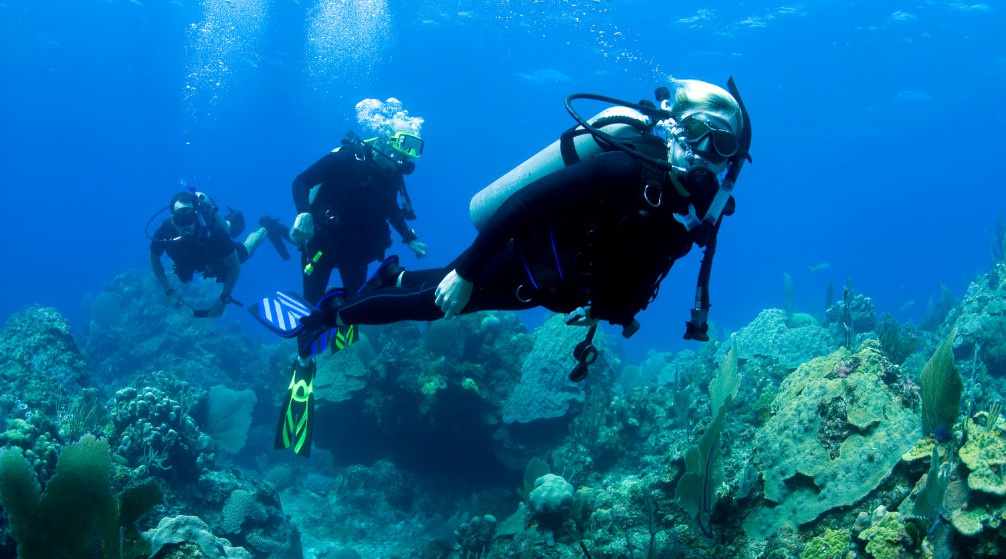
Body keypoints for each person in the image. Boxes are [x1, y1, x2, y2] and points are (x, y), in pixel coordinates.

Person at [256, 78, 751, 456]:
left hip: (550, 288)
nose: (705, 152)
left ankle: (392, 278)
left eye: (722, 144)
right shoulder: (627, 168)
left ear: (733, 160)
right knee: (434, 306)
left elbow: (644, 258)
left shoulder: (701, 207)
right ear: (674, 128)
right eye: (696, 133)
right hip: (522, 261)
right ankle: (330, 317)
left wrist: (606, 307)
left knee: (429, 289)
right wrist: (469, 271)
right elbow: (524, 203)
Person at [288, 99, 429, 305]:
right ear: (383, 142)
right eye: (398, 157)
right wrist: (304, 213)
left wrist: (409, 238)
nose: (400, 168)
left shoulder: (392, 174)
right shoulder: (345, 160)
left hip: (358, 251)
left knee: (354, 307)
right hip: (322, 242)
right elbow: (301, 181)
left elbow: (390, 207)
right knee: (311, 304)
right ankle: (311, 330)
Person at [149, 190, 291, 317]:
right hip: (192, 260)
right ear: (173, 220)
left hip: (216, 254)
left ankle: (266, 227)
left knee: (248, 249)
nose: (186, 225)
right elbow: (155, 260)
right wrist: (168, 291)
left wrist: (223, 299)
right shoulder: (164, 233)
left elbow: (235, 267)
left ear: (197, 216)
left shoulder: (215, 233)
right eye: (180, 219)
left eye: (190, 218)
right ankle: (230, 222)